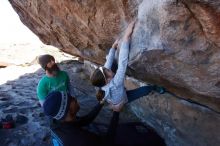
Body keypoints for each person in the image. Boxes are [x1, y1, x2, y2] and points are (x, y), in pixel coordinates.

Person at [90, 21, 165, 108]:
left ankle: (122, 89)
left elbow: (108, 63)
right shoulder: (116, 83)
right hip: (124, 99)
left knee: (112, 63)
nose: (107, 68)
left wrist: (113, 48)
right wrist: (126, 37)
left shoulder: (103, 81)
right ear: (107, 80)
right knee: (145, 90)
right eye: (107, 71)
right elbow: (122, 62)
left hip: (117, 93)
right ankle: (154, 88)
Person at [43, 91, 122, 146]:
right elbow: (108, 142)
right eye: (71, 99)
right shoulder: (81, 139)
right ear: (69, 110)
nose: (75, 98)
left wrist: (101, 103)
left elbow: (85, 120)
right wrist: (116, 112)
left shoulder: (57, 121)